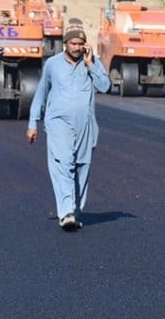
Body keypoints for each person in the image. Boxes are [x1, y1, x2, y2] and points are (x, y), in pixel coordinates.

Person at [26, 22, 111, 231]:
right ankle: (66, 212)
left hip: (85, 124)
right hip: (58, 122)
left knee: (82, 166)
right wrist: (33, 123)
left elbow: (105, 86)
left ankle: (74, 210)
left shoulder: (91, 63)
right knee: (64, 163)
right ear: (65, 44)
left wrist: (91, 65)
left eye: (80, 44)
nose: (77, 47)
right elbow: (41, 93)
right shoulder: (52, 64)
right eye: (73, 43)